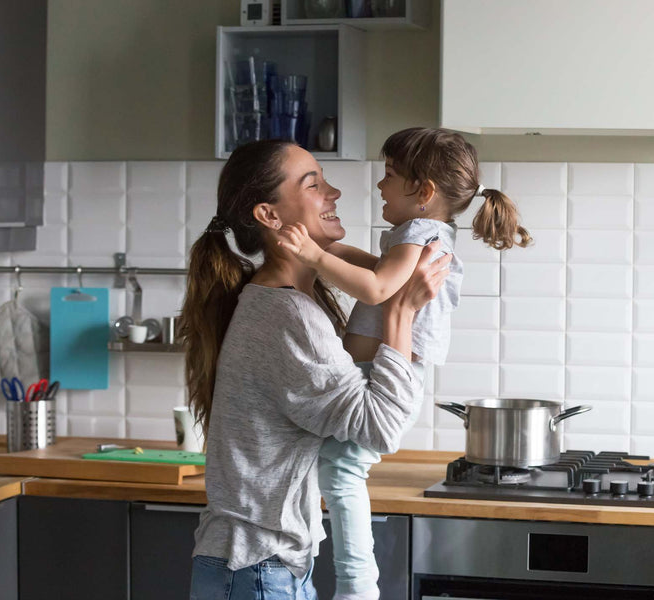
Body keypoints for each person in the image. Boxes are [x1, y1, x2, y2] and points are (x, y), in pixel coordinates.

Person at [181, 138, 452, 600]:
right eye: (314, 184)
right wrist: (402, 312)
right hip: (257, 569)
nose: (334, 193)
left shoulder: (291, 301)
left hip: (261, 566)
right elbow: (380, 428)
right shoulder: (289, 316)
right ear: (270, 216)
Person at [278, 127, 532, 600]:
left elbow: (377, 290)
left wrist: (313, 252)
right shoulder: (420, 233)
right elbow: (380, 273)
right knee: (335, 468)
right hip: (376, 374)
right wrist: (327, 249)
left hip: (385, 377)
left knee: (341, 472)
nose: (379, 185)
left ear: (424, 192)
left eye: (390, 175)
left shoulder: (420, 233)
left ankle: (357, 584)